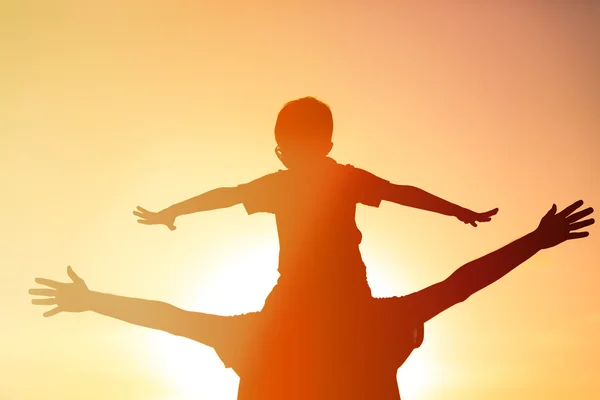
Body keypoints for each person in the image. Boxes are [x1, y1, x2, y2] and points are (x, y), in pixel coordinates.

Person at [30, 200, 594, 399]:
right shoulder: (379, 322)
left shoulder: (257, 335)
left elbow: (172, 318)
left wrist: (92, 300)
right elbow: (461, 283)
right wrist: (535, 241)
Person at [133, 97, 498, 314]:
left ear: (285, 147)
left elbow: (226, 195)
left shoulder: (283, 184)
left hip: (302, 295)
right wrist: (457, 210)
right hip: (342, 293)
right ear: (328, 144)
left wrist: (173, 211)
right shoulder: (345, 178)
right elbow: (401, 192)